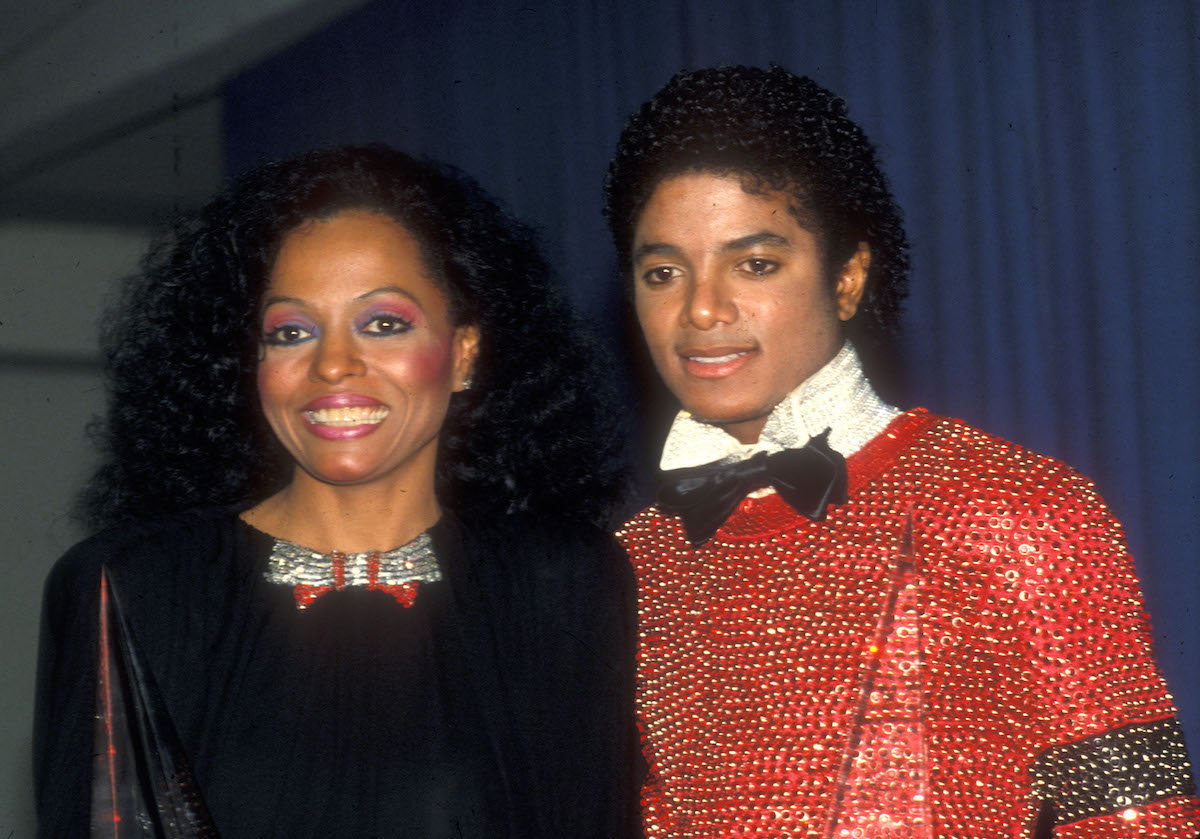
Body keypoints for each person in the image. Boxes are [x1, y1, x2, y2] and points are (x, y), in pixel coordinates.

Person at [604, 66, 1200, 837]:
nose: (703, 307)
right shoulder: (628, 564)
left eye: (755, 263)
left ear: (847, 277)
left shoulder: (1020, 509)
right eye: (664, 273)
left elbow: (1148, 820)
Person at [35, 145, 641, 837]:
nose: (332, 364)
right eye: (292, 331)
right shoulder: (133, 586)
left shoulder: (562, 582)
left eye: (383, 323)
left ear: (464, 354)